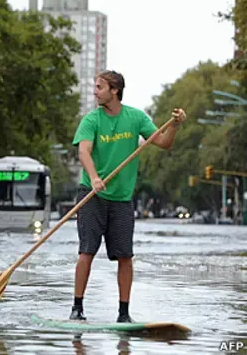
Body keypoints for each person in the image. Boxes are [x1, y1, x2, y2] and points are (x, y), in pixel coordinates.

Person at [70, 70, 187, 323]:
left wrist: (175, 125)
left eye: (99, 87)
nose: (95, 91)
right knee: (86, 251)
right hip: (92, 194)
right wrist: (94, 178)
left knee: (125, 256)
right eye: (95, 86)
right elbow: (84, 153)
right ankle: (77, 308)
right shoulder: (91, 120)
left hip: (122, 199)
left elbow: (164, 142)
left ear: (114, 90)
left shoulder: (135, 118)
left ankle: (124, 313)